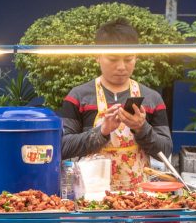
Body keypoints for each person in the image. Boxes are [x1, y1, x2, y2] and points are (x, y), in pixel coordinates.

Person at [60, 18, 172, 191]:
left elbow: (165, 150)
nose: (121, 67)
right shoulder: (78, 97)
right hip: (92, 196)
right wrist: (102, 131)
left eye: (129, 59)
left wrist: (142, 128)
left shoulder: (151, 98)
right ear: (97, 56)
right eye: (113, 59)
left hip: (138, 199)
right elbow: (63, 147)